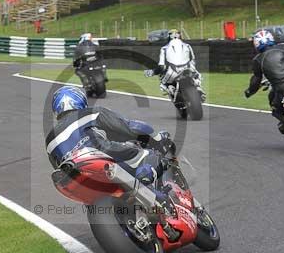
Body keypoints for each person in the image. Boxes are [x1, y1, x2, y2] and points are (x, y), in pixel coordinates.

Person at [46, 86, 178, 233]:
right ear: (80, 101)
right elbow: (129, 128)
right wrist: (157, 139)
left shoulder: (49, 141)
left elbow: (57, 166)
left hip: (76, 177)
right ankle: (148, 183)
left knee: (87, 198)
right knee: (149, 155)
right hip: (102, 157)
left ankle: (123, 210)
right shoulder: (89, 113)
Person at [144, 29, 206, 101]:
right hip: (189, 69)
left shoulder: (164, 48)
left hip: (173, 72)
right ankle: (198, 87)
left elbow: (162, 66)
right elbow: (192, 59)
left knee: (163, 81)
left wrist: (152, 72)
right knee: (198, 75)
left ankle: (171, 89)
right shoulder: (188, 46)